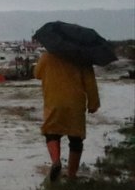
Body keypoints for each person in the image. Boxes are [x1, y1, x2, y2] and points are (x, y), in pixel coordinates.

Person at [34, 50, 99, 181]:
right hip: (75, 103)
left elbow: (37, 74)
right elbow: (90, 83)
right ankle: (71, 174)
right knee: (76, 138)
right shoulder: (83, 58)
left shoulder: (47, 56)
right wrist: (93, 103)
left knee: (51, 133)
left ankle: (56, 161)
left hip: (54, 101)